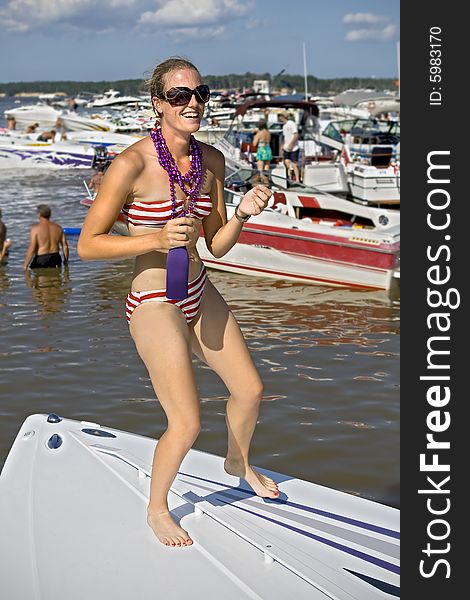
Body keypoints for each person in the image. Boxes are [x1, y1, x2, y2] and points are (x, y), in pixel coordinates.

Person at [77, 56, 278, 549]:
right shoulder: (132, 164)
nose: (192, 103)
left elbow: (215, 244)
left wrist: (244, 214)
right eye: (179, 96)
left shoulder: (211, 160)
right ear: (157, 104)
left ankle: (237, 462)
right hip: (154, 301)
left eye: (199, 94)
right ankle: (157, 507)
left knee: (250, 390)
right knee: (187, 420)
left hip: (197, 287)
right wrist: (154, 238)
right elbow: (87, 244)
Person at [23, 204, 69, 269]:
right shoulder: (58, 227)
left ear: (39, 214)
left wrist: (25, 265)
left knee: (39, 277)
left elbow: (32, 248)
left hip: (41, 258)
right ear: (49, 214)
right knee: (56, 278)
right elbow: (65, 246)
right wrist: (66, 261)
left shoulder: (35, 229)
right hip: (55, 257)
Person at [278, 112, 300, 182]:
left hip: (294, 147)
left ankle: (297, 180)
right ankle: (289, 178)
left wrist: (291, 144)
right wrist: (282, 145)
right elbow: (285, 137)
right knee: (286, 162)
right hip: (286, 147)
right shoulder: (284, 126)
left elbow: (296, 135)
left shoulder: (291, 123)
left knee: (294, 164)